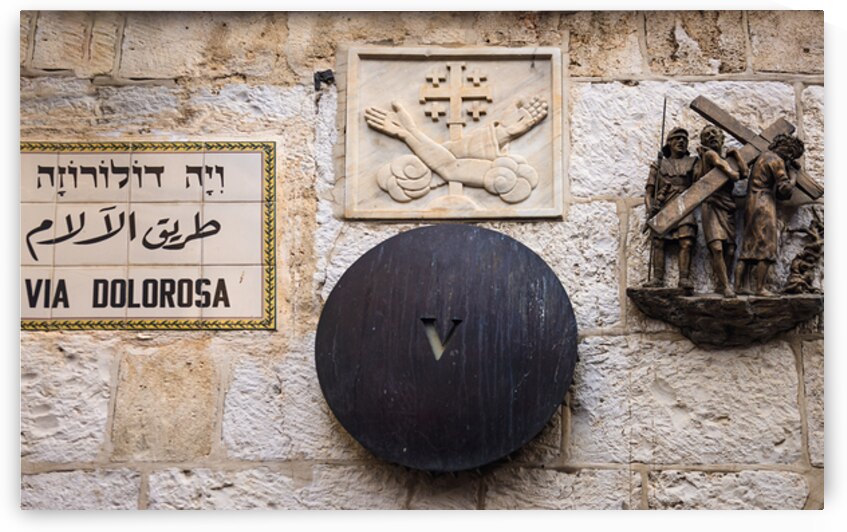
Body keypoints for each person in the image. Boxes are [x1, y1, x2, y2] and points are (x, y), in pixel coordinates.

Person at [734, 133, 805, 296]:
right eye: (792, 153)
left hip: (752, 202)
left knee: (749, 245)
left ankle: (739, 286)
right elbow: (785, 189)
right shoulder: (775, 160)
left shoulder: (763, 157)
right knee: (767, 244)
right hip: (763, 203)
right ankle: (760, 288)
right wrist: (793, 176)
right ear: (786, 149)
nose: (791, 157)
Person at [693, 125, 747, 297]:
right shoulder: (708, 156)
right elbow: (725, 168)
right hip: (711, 204)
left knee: (730, 249)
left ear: (722, 139)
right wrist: (731, 171)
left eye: (714, 134)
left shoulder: (728, 157)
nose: (711, 137)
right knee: (716, 247)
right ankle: (725, 286)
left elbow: (744, 173)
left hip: (727, 205)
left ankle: (722, 282)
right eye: (707, 135)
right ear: (703, 141)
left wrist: (737, 155)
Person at [645, 127, 697, 289]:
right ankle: (658, 278)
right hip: (665, 206)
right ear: (669, 143)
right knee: (659, 242)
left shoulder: (692, 163)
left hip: (685, 206)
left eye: (684, 139)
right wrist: (650, 209)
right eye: (677, 138)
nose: (681, 141)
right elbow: (649, 192)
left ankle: (684, 278)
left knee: (686, 242)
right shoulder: (659, 165)